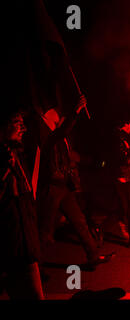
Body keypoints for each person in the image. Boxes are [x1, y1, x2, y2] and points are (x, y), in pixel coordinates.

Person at [37, 96, 113, 270]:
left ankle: (93, 255)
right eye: (54, 114)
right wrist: (75, 111)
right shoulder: (47, 136)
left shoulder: (59, 136)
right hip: (51, 187)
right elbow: (62, 131)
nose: (58, 115)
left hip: (63, 186)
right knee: (45, 230)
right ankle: (35, 267)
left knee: (79, 221)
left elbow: (66, 150)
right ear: (47, 118)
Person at [0, 110, 44, 299]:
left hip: (23, 250)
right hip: (7, 250)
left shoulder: (17, 156)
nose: (23, 128)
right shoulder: (4, 159)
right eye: (17, 122)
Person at [102, 119, 130, 243]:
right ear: (125, 124)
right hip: (120, 176)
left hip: (125, 175)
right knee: (125, 206)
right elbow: (117, 157)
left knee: (121, 207)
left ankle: (100, 229)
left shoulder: (123, 137)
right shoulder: (117, 138)